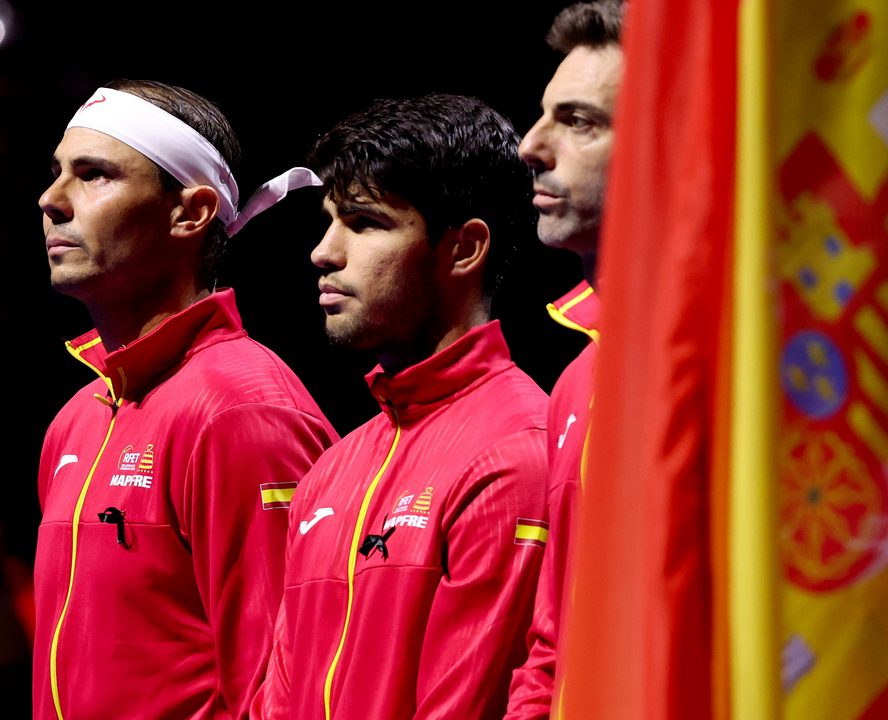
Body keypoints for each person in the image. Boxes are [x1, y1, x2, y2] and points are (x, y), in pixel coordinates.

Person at [34, 79, 338, 719]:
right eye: (57, 172)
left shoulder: (241, 410)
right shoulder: (75, 420)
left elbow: (286, 689)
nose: (51, 200)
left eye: (93, 176)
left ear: (189, 213)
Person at [253, 94, 548, 720]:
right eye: (330, 221)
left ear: (465, 248)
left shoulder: (518, 453)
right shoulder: (329, 471)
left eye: (364, 223)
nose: (323, 253)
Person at [506, 2, 624, 717]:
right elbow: (552, 639)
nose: (530, 144)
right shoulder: (578, 378)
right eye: (544, 114)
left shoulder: (750, 360)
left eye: (578, 121)